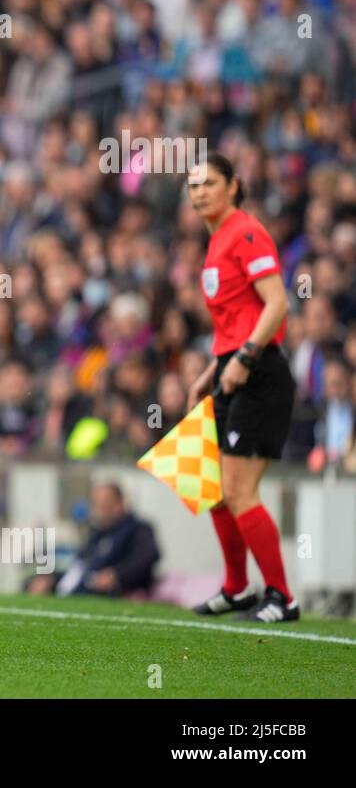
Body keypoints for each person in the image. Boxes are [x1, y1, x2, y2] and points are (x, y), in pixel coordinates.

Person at [185, 153, 299, 623]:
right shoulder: (215, 243)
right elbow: (238, 321)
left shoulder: (246, 232)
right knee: (207, 485)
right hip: (230, 370)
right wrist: (209, 373)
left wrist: (246, 359)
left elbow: (278, 304)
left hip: (259, 375)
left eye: (209, 182)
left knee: (238, 490)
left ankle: (282, 597)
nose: (199, 192)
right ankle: (236, 589)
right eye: (193, 186)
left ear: (234, 185)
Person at [26, 482, 160, 597]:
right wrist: (52, 579)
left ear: (120, 503)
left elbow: (149, 556)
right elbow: (79, 566)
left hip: (107, 590)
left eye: (106, 504)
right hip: (79, 584)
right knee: (30, 582)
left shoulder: (137, 528)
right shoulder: (97, 532)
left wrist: (117, 575)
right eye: (97, 504)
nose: (100, 510)